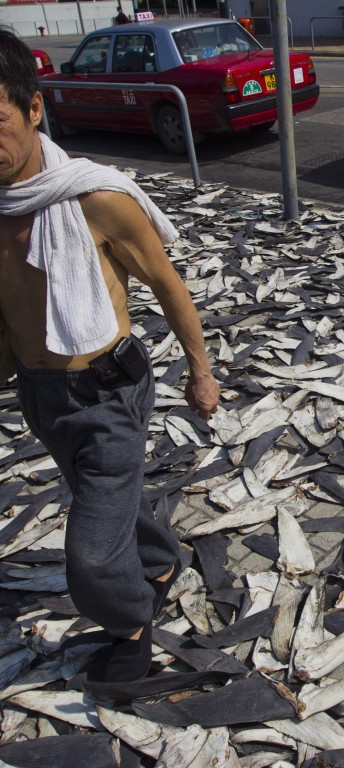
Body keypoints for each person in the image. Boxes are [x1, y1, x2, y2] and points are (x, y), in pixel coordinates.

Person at [0, 29, 220, 685]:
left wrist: (201, 371)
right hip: (42, 394)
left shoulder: (97, 197)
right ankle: (158, 561)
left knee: (92, 554)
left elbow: (167, 283)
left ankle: (130, 628)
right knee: (105, 498)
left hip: (107, 392)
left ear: (33, 108)